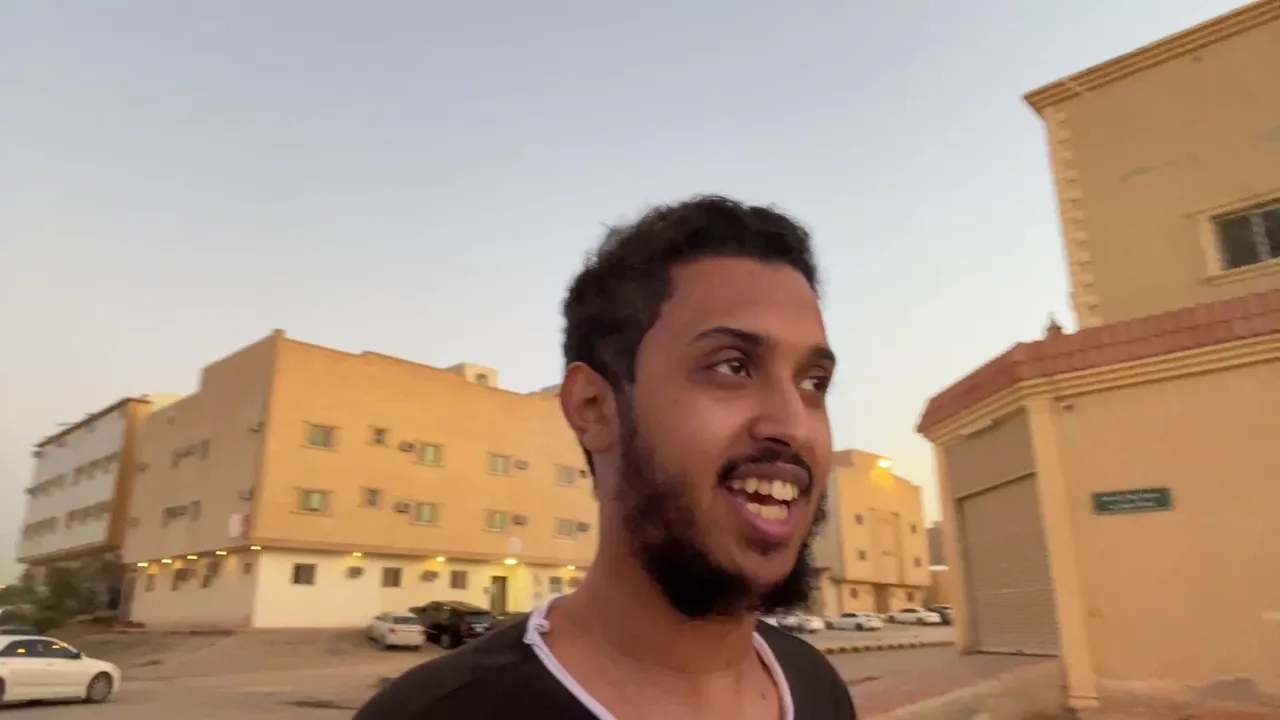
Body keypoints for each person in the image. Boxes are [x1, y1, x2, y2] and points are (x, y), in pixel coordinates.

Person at [355, 195, 854, 720]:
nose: (793, 425)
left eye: (813, 382)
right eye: (732, 367)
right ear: (593, 407)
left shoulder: (816, 687)